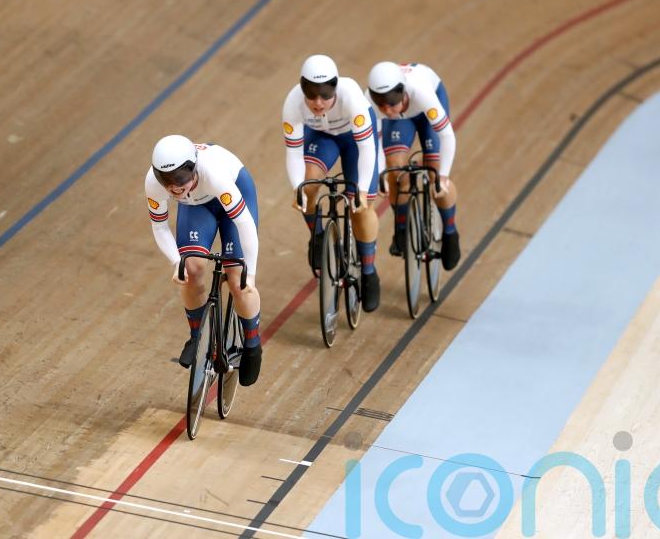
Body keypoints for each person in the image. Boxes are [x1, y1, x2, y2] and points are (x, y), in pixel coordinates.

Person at [144, 135, 262, 386]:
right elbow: (159, 227)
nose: (175, 187)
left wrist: (249, 272)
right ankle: (197, 337)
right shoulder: (153, 184)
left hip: (233, 194)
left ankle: (252, 344)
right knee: (190, 269)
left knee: (237, 281)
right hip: (197, 205)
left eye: (181, 179)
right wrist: (176, 262)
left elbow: (244, 223)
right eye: (168, 181)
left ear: (194, 167)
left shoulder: (214, 173)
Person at [282, 54, 382, 312]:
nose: (318, 103)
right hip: (322, 137)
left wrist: (360, 191)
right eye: (311, 95)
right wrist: (298, 188)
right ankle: (318, 238)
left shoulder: (352, 98)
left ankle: (369, 271)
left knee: (361, 208)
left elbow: (367, 149)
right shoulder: (293, 103)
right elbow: (293, 152)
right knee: (309, 188)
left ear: (335, 89)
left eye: (325, 96)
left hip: (355, 142)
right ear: (302, 89)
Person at [366, 61, 461, 270]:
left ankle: (450, 231)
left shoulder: (422, 91)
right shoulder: (371, 103)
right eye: (380, 103)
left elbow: (447, 136)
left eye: (391, 102)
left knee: (436, 178)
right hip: (402, 119)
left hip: (426, 110)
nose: (386, 109)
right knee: (394, 169)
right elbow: (375, 144)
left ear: (403, 91)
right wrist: (382, 174)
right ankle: (401, 228)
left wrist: (443, 175)